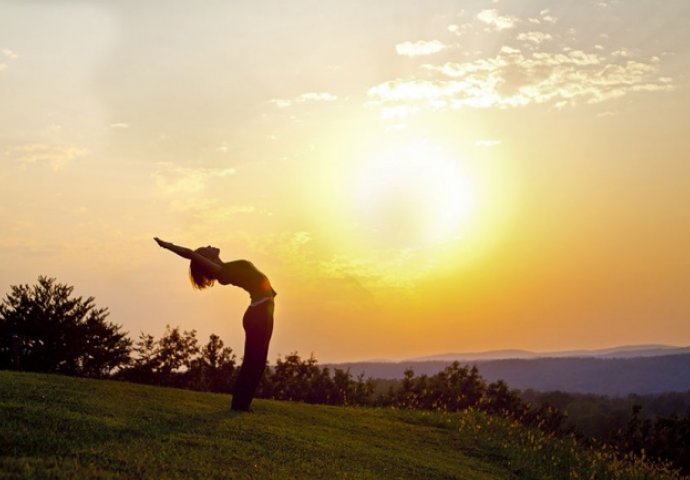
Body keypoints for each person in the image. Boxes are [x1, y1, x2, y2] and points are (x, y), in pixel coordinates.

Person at [154, 237, 276, 412]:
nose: (210, 245)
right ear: (207, 260)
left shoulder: (227, 267)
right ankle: (239, 406)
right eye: (206, 248)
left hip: (262, 311)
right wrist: (168, 246)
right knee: (252, 363)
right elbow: (189, 253)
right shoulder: (222, 272)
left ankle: (242, 405)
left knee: (258, 363)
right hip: (259, 314)